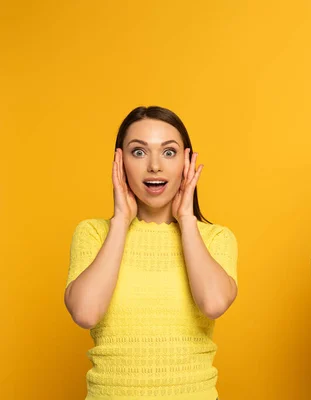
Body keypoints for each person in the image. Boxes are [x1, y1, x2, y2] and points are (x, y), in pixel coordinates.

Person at [64, 106, 237, 400]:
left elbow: (213, 303)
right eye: (139, 152)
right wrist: (120, 220)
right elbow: (85, 313)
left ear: (187, 162)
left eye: (168, 152)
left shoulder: (215, 238)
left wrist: (186, 220)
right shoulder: (93, 234)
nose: (154, 166)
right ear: (120, 162)